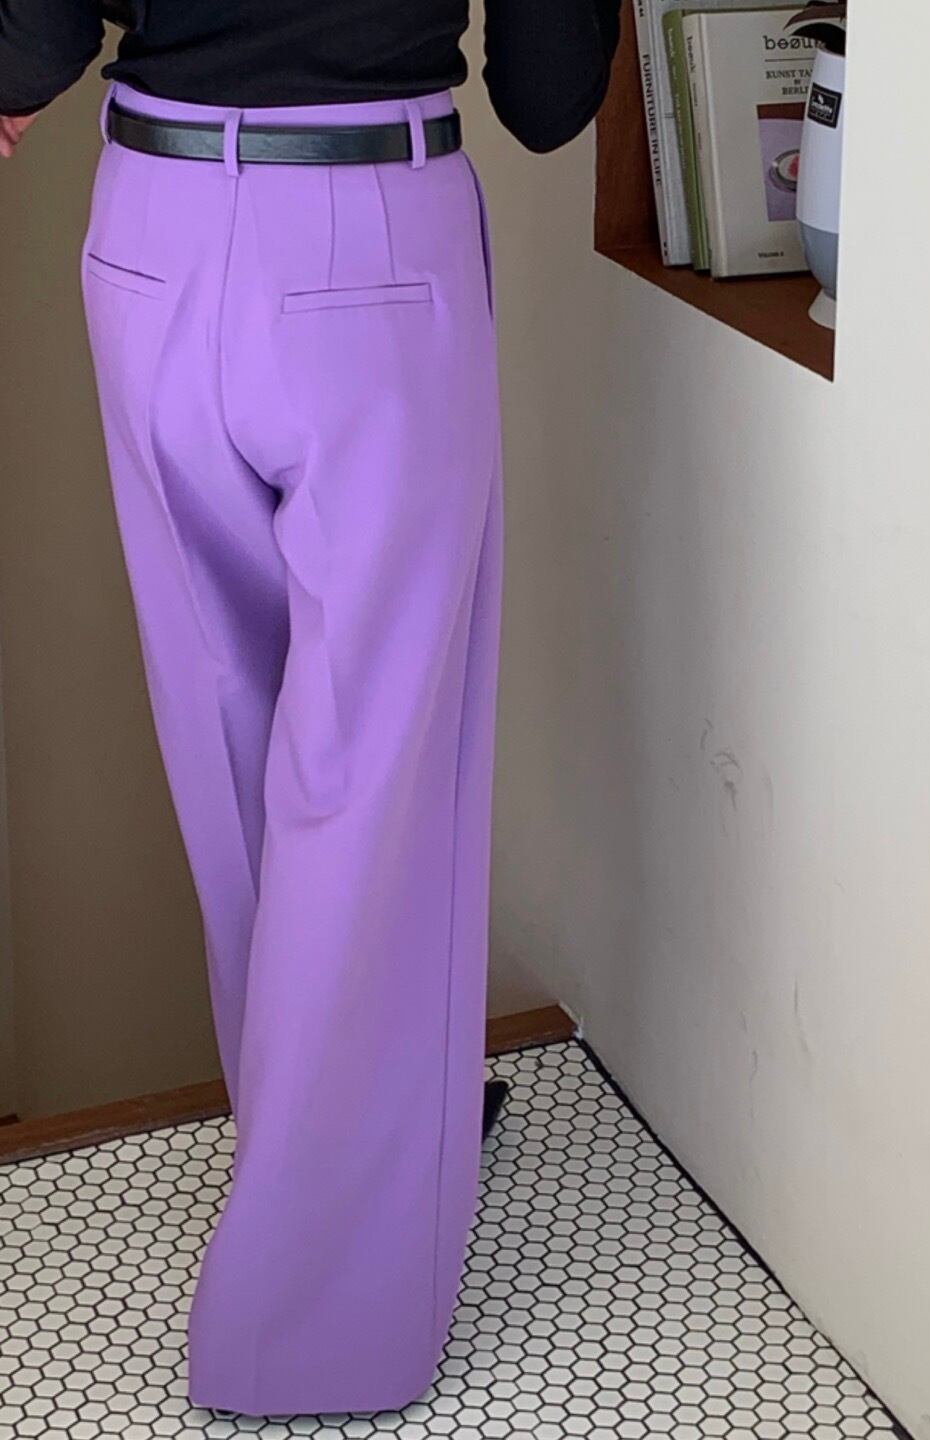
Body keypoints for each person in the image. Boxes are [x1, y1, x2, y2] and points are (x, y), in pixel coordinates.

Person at [0, 0, 619, 1418]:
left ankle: (331, 1134)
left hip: (151, 231)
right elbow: (544, 95)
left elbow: (34, 35)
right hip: (368, 234)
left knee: (226, 735)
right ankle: (311, 1330)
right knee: (372, 771)